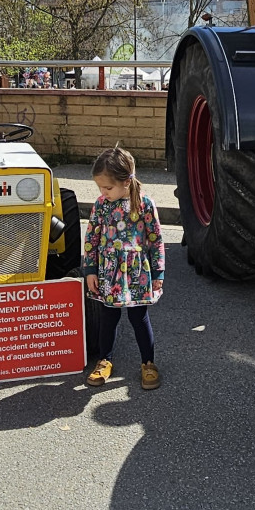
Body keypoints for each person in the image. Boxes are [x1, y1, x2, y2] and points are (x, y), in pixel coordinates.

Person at [82, 143, 165, 390]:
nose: (103, 191)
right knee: (108, 317)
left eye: (108, 187)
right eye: (100, 187)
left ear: (126, 182)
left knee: (139, 318)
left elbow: (156, 240)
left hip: (138, 274)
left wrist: (158, 272)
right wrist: (90, 271)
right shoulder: (100, 205)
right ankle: (105, 360)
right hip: (109, 273)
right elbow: (91, 239)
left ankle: (148, 363)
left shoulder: (145, 205)